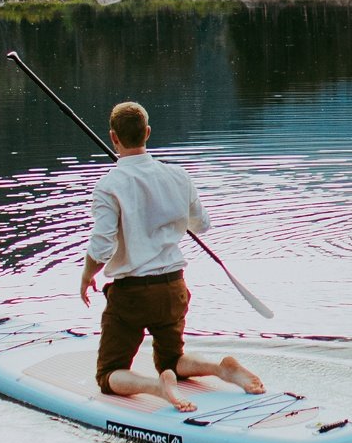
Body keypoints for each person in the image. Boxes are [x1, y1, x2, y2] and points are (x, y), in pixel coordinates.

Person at [81, 100, 264, 412]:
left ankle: (157, 386)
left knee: (107, 373)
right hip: (173, 290)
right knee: (172, 359)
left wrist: (87, 276)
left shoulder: (109, 185)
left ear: (114, 137)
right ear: (148, 132)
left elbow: (102, 245)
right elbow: (202, 224)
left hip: (132, 296)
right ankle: (221, 369)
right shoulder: (179, 176)